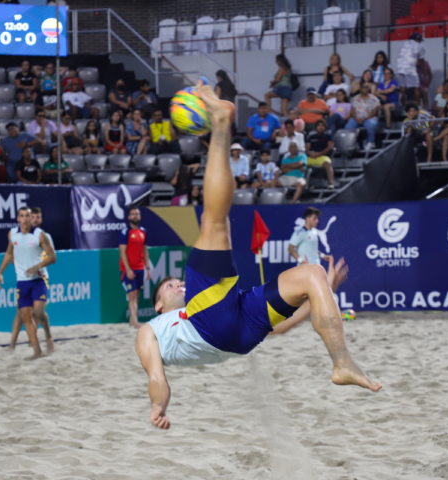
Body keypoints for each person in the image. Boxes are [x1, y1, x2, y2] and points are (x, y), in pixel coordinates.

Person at [135, 81, 380, 430]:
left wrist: (323, 294)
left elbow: (279, 331)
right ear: (158, 305)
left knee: (313, 274)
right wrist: (158, 406)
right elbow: (157, 377)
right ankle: (221, 125)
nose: (176, 284)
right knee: (215, 223)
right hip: (209, 324)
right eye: (169, 286)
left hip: (240, 334)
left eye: (176, 281)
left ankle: (341, 362)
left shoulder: (195, 298)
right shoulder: (150, 330)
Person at [0, 207, 56, 359]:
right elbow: (9, 253)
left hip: (39, 279)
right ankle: (37, 351)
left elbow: (53, 257)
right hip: (22, 282)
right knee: (24, 316)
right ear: (18, 218)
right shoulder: (13, 234)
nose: (25, 219)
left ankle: (48, 336)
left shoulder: (40, 235)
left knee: (38, 312)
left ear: (31, 219)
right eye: (22, 216)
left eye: (28, 216)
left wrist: (38, 266)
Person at [119, 207, 152, 329]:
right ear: (128, 217)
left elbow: (145, 251)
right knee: (132, 295)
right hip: (128, 268)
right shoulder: (125, 232)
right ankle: (135, 321)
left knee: (136, 295)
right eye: (132, 214)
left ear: (140, 216)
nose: (135, 216)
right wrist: (127, 269)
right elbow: (122, 252)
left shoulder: (143, 232)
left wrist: (147, 268)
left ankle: (132, 321)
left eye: (137, 214)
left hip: (140, 268)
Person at [346, 81, 381, 152]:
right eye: (364, 87)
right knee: (348, 127)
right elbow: (352, 111)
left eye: (367, 87)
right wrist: (357, 119)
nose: (365, 89)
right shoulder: (355, 98)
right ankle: (352, 143)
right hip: (356, 118)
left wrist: (365, 118)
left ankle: (370, 142)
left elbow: (375, 111)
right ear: (361, 89)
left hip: (369, 117)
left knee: (371, 125)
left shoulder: (373, 98)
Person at [396, 32, 425, 106]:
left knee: (402, 89)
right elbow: (421, 60)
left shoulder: (403, 44)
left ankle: (404, 106)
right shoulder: (419, 45)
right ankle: (417, 107)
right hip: (410, 69)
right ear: (417, 39)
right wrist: (423, 70)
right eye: (419, 40)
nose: (420, 41)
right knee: (416, 88)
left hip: (399, 68)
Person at [306, 120, 335, 189]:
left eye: (322, 125)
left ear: (325, 127)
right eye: (319, 125)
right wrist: (310, 154)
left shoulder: (328, 136)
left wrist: (319, 154)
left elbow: (330, 147)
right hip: (311, 156)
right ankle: (308, 184)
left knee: (328, 164)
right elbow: (306, 148)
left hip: (323, 157)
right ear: (316, 127)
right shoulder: (311, 137)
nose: (320, 127)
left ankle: (330, 183)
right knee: (300, 163)